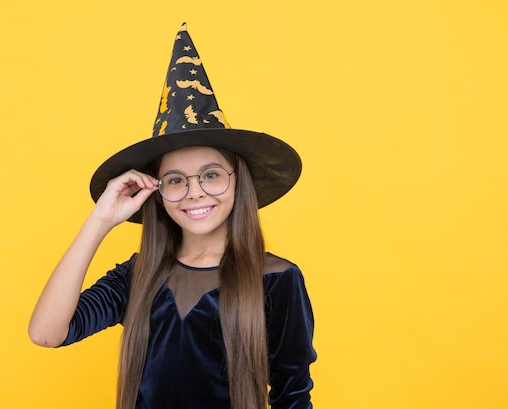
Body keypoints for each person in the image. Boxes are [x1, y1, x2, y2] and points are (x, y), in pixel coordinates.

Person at [29, 24, 317, 409]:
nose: (195, 191)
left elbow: (292, 396)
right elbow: (47, 333)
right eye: (176, 180)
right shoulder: (140, 275)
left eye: (211, 175)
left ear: (238, 182)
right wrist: (100, 221)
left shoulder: (277, 280)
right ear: (157, 192)